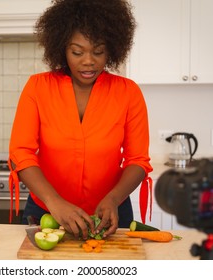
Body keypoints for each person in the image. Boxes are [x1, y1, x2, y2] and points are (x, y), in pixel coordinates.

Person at [8, 0, 153, 240]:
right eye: (77, 52)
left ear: (113, 49)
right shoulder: (37, 87)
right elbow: (20, 153)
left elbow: (138, 160)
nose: (88, 61)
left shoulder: (128, 92)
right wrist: (54, 201)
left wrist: (113, 199)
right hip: (47, 209)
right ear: (62, 48)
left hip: (110, 213)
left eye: (98, 51)